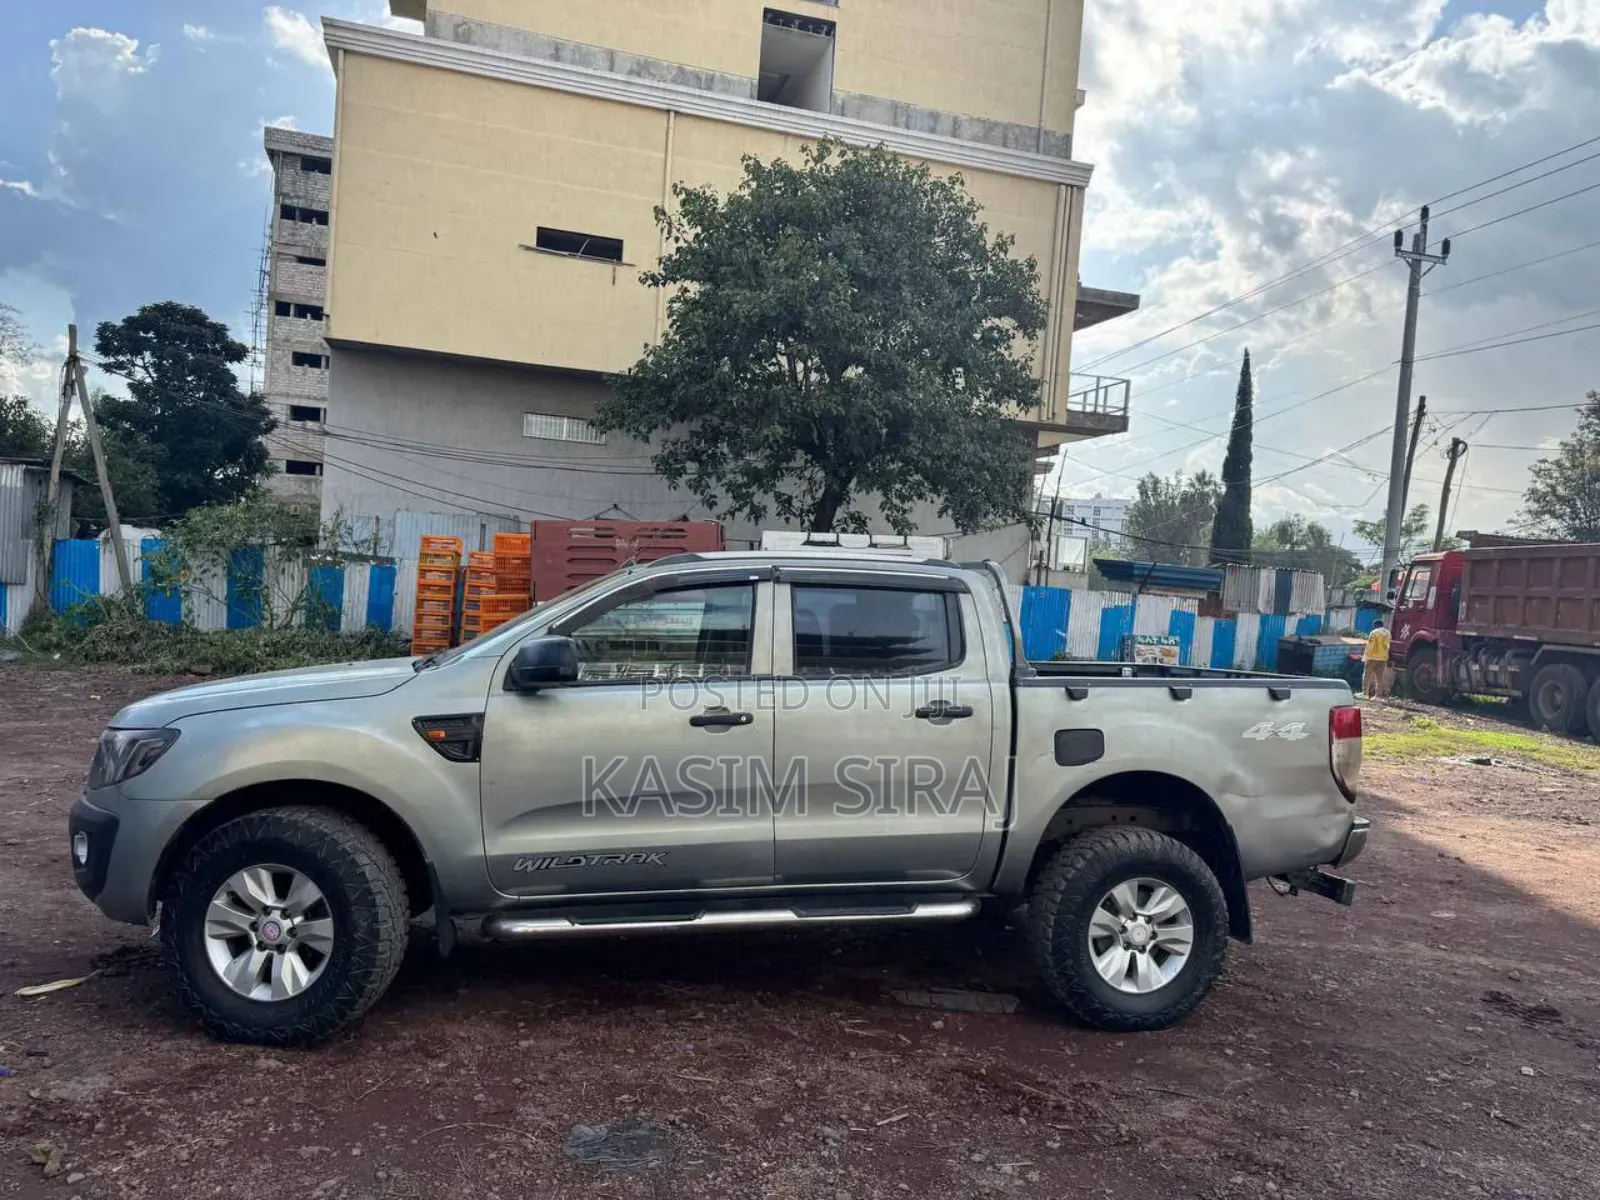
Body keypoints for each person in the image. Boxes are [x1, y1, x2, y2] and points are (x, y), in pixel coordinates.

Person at [1363, 616, 1392, 700]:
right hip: (1383, 658)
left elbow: (1370, 646)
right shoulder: (1388, 633)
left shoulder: (1374, 632)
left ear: (1375, 625)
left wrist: (1365, 657)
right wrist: (1387, 657)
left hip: (1372, 657)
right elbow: (1388, 646)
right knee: (1379, 677)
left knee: (1367, 676)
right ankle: (1378, 695)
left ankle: (1365, 694)